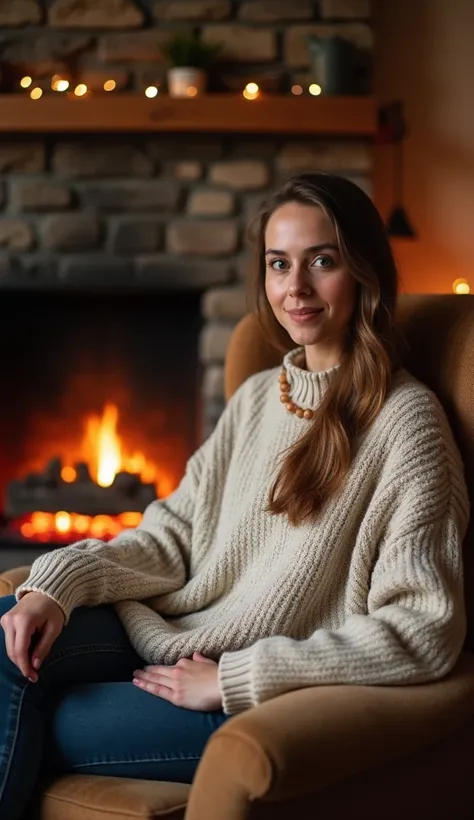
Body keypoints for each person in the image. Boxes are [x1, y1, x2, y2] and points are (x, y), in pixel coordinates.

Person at [0, 173, 469, 819]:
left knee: (34, 715)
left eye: (322, 262)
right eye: (280, 264)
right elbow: (172, 536)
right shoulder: (258, 397)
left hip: (252, 692)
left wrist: (236, 680)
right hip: (173, 630)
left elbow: (425, 629)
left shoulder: (407, 423)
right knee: (6, 631)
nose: (295, 288)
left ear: (364, 273)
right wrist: (56, 585)